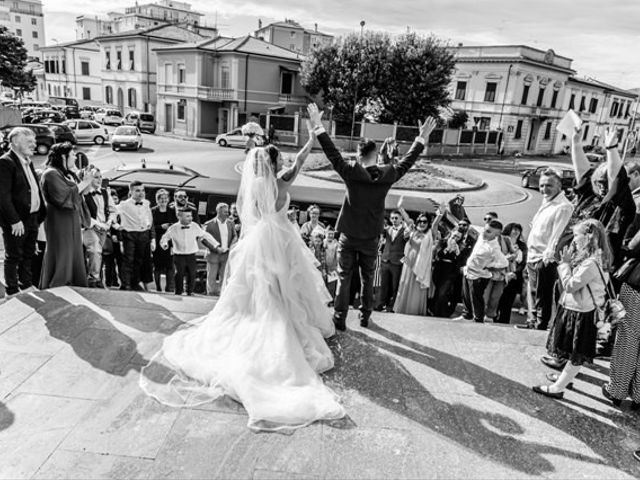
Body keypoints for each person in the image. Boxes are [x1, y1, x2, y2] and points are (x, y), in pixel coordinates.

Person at [141, 121, 346, 432]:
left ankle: (263, 319)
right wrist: (313, 132)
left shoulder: (256, 188)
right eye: (281, 160)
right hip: (281, 239)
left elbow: (252, 215)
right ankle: (285, 325)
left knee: (257, 290)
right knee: (287, 286)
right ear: (275, 162)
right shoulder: (281, 182)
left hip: (259, 240)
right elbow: (303, 158)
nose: (285, 163)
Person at [308, 103, 437, 330]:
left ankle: (339, 318)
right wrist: (420, 139)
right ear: (376, 155)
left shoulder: (350, 171)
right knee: (368, 278)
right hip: (371, 238)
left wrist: (318, 126)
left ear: (359, 155)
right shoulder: (387, 175)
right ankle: (365, 316)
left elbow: (332, 152)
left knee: (343, 276)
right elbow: (407, 162)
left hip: (348, 235)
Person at [533, 219, 611, 399]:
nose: (574, 239)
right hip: (580, 308)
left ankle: (558, 388)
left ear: (589, 237)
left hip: (580, 311)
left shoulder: (591, 263)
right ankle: (564, 379)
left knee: (576, 354)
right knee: (571, 350)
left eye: (577, 235)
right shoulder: (597, 258)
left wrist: (565, 264)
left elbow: (570, 285)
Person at [517, 169, 574, 331]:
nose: (544, 189)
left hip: (544, 258)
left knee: (543, 296)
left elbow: (557, 235)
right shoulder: (547, 202)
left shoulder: (563, 207)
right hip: (533, 256)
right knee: (533, 294)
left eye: (549, 185)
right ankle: (533, 321)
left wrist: (546, 259)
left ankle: (541, 326)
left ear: (559, 186)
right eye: (541, 185)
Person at [0, 127, 47, 297]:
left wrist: (40, 214)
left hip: (32, 218)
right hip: (17, 221)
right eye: (29, 142)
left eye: (34, 141)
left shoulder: (28, 161)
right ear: (14, 142)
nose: (34, 145)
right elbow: (2, 196)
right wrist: (14, 220)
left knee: (28, 254)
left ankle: (26, 285)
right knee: (14, 256)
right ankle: (12, 290)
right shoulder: (5, 162)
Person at [39, 142, 93, 289]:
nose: (75, 157)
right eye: (72, 154)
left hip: (70, 218)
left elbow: (79, 193)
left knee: (73, 251)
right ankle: (58, 283)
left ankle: (73, 281)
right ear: (63, 156)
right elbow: (64, 196)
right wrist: (85, 182)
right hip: (59, 218)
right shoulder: (50, 174)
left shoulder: (63, 173)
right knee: (62, 250)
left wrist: (85, 181)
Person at [602, 206, 640, 409]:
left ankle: (616, 390)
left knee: (628, 337)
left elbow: (631, 245)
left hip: (638, 288)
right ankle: (639, 395)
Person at [393, 203, 443, 316]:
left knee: (416, 289)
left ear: (428, 223)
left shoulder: (430, 234)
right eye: (420, 221)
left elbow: (435, 224)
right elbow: (407, 220)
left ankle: (413, 311)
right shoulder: (413, 231)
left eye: (424, 221)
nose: (422, 223)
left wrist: (440, 214)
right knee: (405, 285)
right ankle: (402, 309)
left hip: (420, 265)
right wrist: (401, 208)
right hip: (408, 263)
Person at [455, 220, 509, 323]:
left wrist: (490, 267)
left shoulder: (494, 248)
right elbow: (470, 227)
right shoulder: (481, 236)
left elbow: (504, 263)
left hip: (479, 276)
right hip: (468, 271)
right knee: (465, 296)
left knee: (476, 299)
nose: (484, 233)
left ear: (497, 234)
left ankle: (478, 320)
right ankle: (467, 316)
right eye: (485, 230)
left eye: (488, 232)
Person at [160, 209, 218, 296]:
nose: (190, 218)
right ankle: (178, 291)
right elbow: (165, 238)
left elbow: (205, 235)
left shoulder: (194, 226)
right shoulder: (173, 228)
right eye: (187, 216)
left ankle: (189, 291)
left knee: (192, 273)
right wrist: (164, 244)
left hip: (191, 254)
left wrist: (215, 243)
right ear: (179, 217)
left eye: (191, 216)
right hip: (178, 255)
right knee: (179, 273)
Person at [432, 220, 475, 317]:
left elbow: (461, 261)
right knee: (438, 292)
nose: (455, 238)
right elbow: (438, 255)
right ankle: (436, 312)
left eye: (458, 237)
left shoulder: (461, 247)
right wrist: (447, 249)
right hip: (439, 270)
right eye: (454, 236)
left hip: (451, 272)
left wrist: (457, 252)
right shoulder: (443, 242)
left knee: (442, 292)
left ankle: (444, 313)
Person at [82, 168, 117, 288]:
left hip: (104, 229)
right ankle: (93, 279)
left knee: (98, 254)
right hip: (89, 228)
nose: (99, 179)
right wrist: (99, 224)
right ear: (89, 178)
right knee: (95, 251)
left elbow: (113, 210)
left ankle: (95, 278)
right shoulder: (84, 193)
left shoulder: (105, 192)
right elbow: (84, 214)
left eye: (100, 176)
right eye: (96, 177)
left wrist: (109, 221)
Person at [117, 181, 155, 291]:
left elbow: (149, 218)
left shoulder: (146, 203)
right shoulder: (124, 204)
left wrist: (149, 231)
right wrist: (116, 226)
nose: (141, 193)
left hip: (143, 234)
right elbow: (112, 211)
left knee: (139, 260)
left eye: (143, 190)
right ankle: (126, 284)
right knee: (128, 260)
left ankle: (135, 283)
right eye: (137, 190)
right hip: (129, 234)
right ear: (131, 191)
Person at [375, 210, 410, 312]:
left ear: (401, 219)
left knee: (395, 286)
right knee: (383, 285)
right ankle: (381, 304)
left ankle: (393, 307)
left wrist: (403, 259)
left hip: (397, 263)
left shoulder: (405, 231)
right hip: (385, 261)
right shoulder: (387, 229)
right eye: (392, 218)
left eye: (396, 218)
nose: (394, 220)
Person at [496, 223, 528, 324]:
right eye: (514, 229)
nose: (516, 232)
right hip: (501, 274)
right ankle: (493, 318)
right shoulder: (501, 241)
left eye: (518, 230)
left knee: (508, 302)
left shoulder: (522, 246)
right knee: (497, 299)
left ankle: (504, 321)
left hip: (514, 277)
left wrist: (514, 272)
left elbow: (523, 262)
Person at [204, 202, 237, 296]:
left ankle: (222, 294)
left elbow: (235, 236)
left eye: (227, 212)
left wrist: (232, 246)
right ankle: (211, 293)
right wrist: (215, 248)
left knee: (225, 275)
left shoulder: (231, 223)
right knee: (212, 276)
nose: (227, 214)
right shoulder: (209, 224)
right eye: (224, 212)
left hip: (226, 254)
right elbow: (203, 239)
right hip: (213, 254)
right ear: (218, 212)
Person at [151, 189, 176, 293]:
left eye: (165, 198)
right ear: (157, 200)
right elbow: (150, 226)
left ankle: (169, 287)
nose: (163, 200)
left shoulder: (172, 211)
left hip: (169, 240)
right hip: (156, 240)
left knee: (170, 265)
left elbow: (175, 226)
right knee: (157, 266)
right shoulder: (152, 211)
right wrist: (161, 226)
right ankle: (158, 287)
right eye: (161, 199)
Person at [103, 190, 123, 288]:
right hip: (109, 240)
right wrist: (111, 234)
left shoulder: (120, 211)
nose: (114, 201)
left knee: (120, 262)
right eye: (112, 199)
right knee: (109, 263)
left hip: (119, 241)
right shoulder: (105, 211)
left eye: (115, 199)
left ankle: (120, 281)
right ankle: (109, 282)